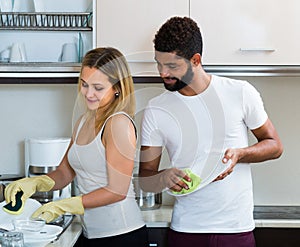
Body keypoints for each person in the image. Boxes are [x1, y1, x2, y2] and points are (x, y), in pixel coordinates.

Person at [138, 16, 283, 247]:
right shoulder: (157, 109)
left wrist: (240, 154)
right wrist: (164, 177)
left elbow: (274, 145)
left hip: (236, 230)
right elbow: (145, 178)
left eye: (172, 66)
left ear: (195, 60)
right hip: (185, 230)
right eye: (159, 63)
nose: (162, 72)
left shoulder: (240, 92)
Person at [5, 47, 148, 247]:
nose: (88, 94)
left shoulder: (118, 124)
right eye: (84, 84)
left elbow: (118, 190)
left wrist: (66, 205)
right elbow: (65, 173)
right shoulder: (84, 121)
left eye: (98, 88)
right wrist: (33, 184)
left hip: (122, 236)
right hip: (92, 235)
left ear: (117, 88)